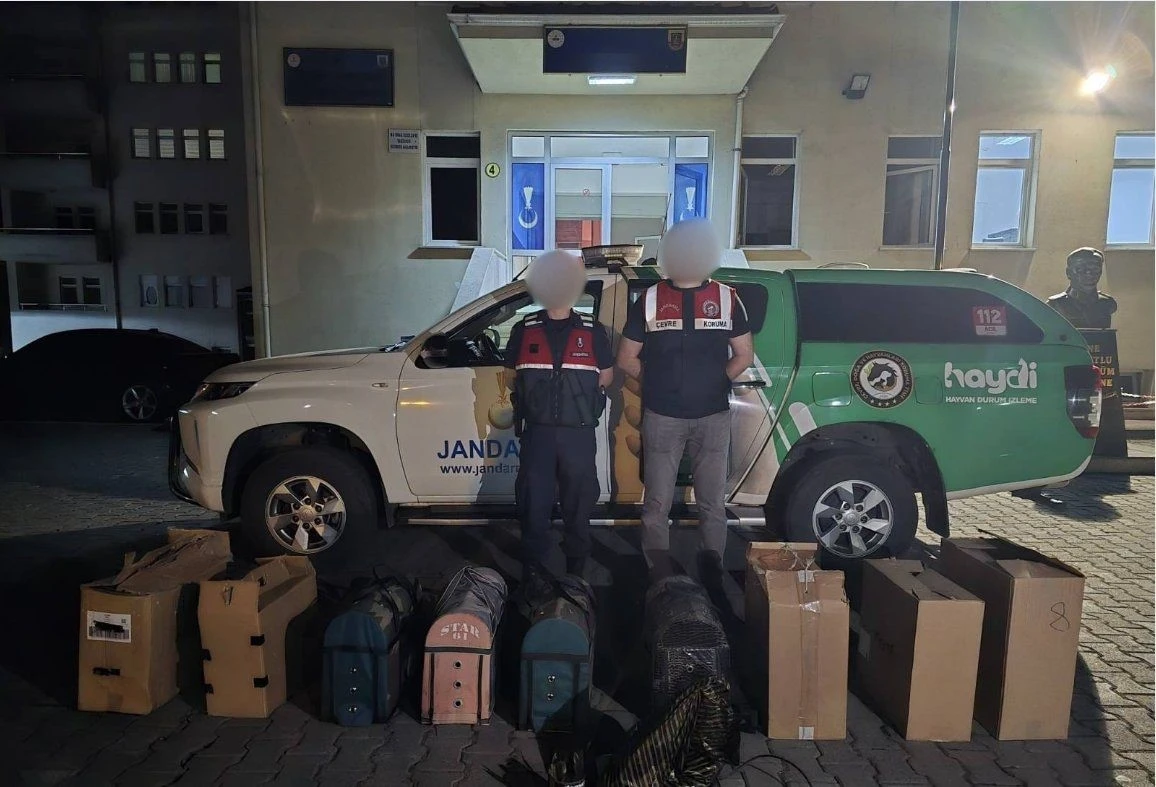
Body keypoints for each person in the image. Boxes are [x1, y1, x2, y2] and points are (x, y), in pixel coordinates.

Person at [616, 219, 754, 584]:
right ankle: (659, 575)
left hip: (712, 417)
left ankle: (711, 572)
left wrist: (716, 380)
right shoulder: (651, 298)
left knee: (711, 503)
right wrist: (656, 383)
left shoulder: (727, 297)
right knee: (657, 503)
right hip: (663, 417)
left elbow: (744, 354)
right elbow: (626, 358)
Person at [504, 250, 614, 594]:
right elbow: (510, 376)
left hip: (577, 435)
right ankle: (532, 572)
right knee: (532, 503)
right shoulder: (524, 329)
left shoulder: (593, 331)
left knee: (578, 505)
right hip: (537, 433)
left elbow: (606, 376)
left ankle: (575, 573)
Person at [1046, 247, 1117, 329]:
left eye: (1095, 269)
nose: (1089, 274)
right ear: (1068, 273)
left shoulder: (1108, 303)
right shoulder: (1055, 304)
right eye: (1081, 269)